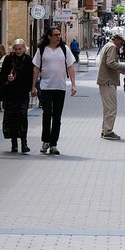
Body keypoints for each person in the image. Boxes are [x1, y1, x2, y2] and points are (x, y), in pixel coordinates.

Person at [32, 28, 77, 156]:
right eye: (56, 35)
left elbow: (71, 67)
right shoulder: (42, 50)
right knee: (46, 114)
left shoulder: (64, 49)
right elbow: (36, 68)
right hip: (46, 86)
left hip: (60, 87)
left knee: (57, 117)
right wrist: (33, 86)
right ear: (49, 36)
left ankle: (53, 144)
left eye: (59, 35)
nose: (58, 37)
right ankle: (45, 141)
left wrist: (73, 85)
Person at [0, 39, 35, 153]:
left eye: (20, 49)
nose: (18, 51)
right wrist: (7, 78)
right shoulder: (8, 59)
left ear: (24, 49)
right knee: (12, 117)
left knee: (23, 117)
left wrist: (33, 87)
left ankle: (24, 143)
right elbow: (1, 77)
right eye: (16, 49)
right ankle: (14, 144)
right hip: (10, 93)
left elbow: (32, 76)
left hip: (23, 93)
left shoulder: (28, 60)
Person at [98, 33, 125, 140]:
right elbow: (110, 63)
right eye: (121, 43)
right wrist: (124, 67)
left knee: (107, 108)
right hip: (108, 81)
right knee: (111, 108)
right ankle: (108, 131)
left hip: (105, 81)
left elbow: (108, 63)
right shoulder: (112, 47)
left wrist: (118, 70)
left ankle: (105, 130)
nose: (121, 45)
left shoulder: (107, 45)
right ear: (117, 40)